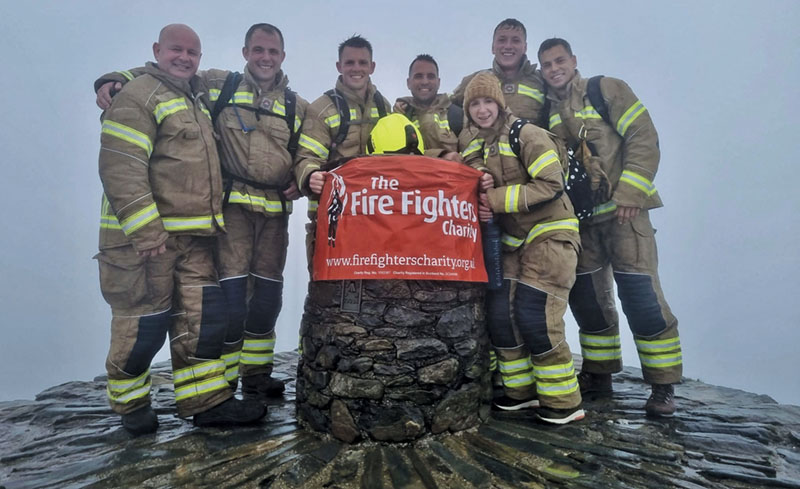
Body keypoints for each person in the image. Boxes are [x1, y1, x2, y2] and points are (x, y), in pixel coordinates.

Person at [96, 24, 308, 402]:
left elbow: (312, 150)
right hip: (229, 215)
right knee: (225, 301)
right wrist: (117, 79)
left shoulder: (297, 105)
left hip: (273, 215)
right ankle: (223, 386)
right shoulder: (216, 85)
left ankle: (254, 377)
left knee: (264, 300)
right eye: (258, 50)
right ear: (245, 53)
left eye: (273, 52)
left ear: (282, 56)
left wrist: (301, 175)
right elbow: (165, 75)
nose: (265, 58)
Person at [538, 38, 682, 416]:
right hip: (583, 222)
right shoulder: (548, 112)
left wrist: (631, 195)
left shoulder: (606, 89)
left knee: (641, 297)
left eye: (559, 61)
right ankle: (600, 375)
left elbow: (643, 137)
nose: (554, 69)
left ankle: (663, 385)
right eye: (547, 64)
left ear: (573, 61)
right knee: (588, 302)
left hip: (625, 215)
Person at [461, 72, 584, 425]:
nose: (482, 110)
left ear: (501, 103)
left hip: (551, 236)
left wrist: (494, 198)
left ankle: (563, 403)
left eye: (488, 102)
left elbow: (551, 184)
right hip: (515, 245)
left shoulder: (527, 135)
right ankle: (521, 394)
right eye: (474, 104)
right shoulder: (478, 144)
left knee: (535, 317)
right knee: (501, 319)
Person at [294, 35, 392, 262]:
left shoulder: (384, 106)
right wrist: (310, 176)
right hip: (332, 222)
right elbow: (306, 157)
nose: (356, 68)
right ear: (339, 66)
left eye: (362, 63)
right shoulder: (321, 109)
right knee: (329, 293)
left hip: (375, 219)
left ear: (372, 67)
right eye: (349, 63)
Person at [452, 19, 546, 125]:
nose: (508, 46)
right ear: (493, 47)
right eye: (502, 40)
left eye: (515, 40)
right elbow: (446, 107)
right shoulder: (474, 80)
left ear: (525, 48)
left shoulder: (542, 81)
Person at [394, 54, 462, 159]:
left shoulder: (457, 114)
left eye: (430, 76)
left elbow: (472, 156)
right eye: (418, 76)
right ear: (408, 83)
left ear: (438, 82)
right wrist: (442, 156)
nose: (425, 82)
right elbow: (393, 156)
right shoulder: (399, 118)